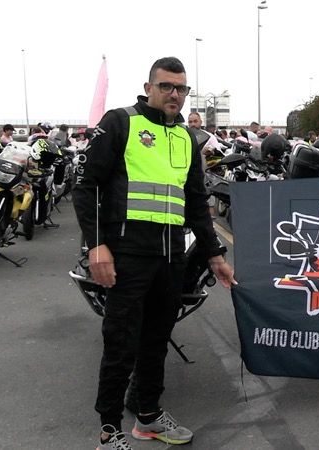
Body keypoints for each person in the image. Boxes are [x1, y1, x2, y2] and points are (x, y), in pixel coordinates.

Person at [72, 56, 236, 450]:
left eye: (181, 88)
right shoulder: (121, 122)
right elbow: (86, 186)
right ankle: (109, 431)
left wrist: (215, 255)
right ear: (149, 88)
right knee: (121, 344)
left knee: (156, 341)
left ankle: (147, 416)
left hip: (170, 257)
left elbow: (196, 203)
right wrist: (97, 246)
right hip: (127, 254)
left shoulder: (186, 138)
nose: (174, 94)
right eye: (166, 86)